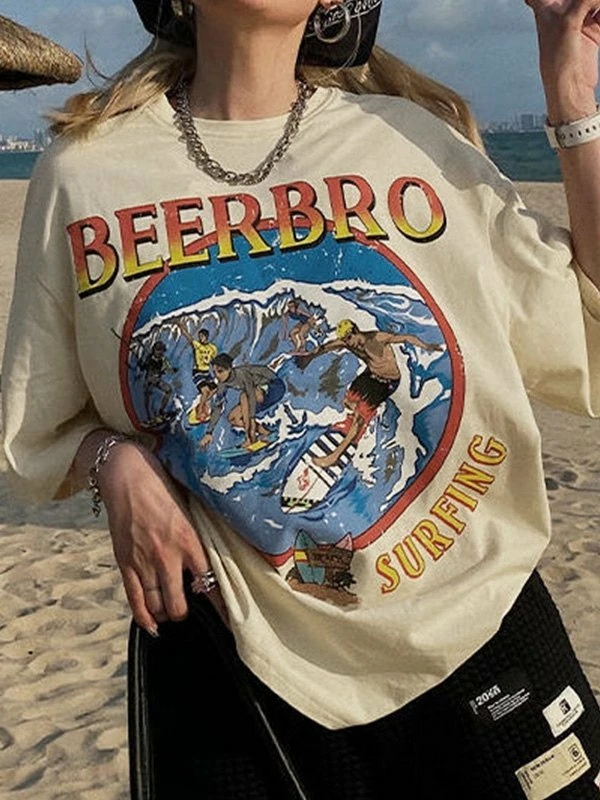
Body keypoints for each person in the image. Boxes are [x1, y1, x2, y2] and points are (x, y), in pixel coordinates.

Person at [2, 0, 600, 797]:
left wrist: (571, 94)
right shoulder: (85, 172)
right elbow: (36, 427)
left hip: (473, 620)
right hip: (239, 656)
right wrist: (114, 463)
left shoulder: (412, 141)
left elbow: (585, 311)